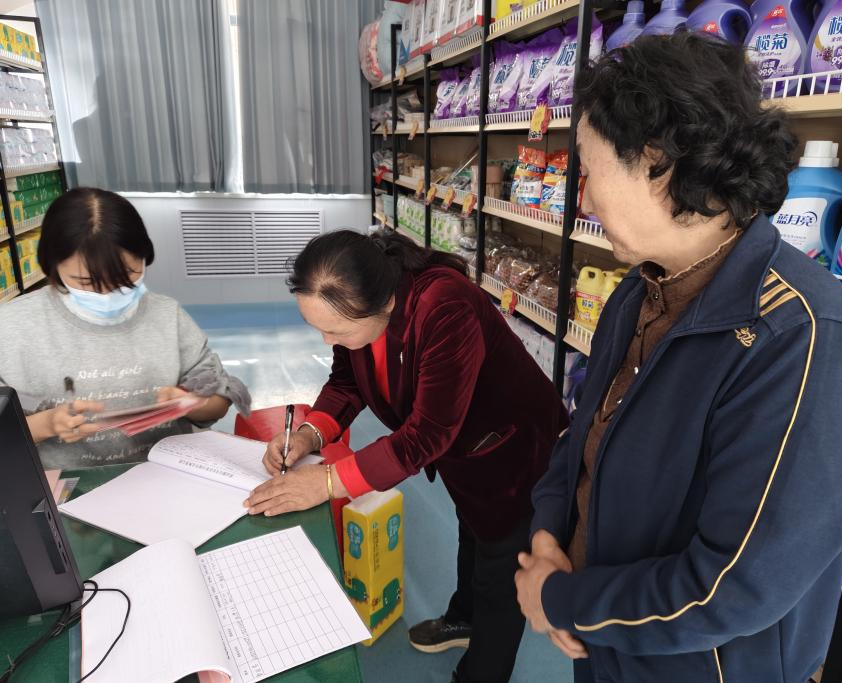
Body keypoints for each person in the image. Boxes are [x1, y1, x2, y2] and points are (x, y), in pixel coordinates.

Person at [514, 33, 842, 683]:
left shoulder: (800, 339)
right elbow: (585, 433)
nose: (584, 197)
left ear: (657, 163)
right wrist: (549, 533)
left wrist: (562, 601)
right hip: (608, 645)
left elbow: (734, 585)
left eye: (590, 169)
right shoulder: (638, 290)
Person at [243, 229, 568, 683]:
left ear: (379, 303)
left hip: (512, 451)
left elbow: (426, 434)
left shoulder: (445, 307)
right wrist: (309, 434)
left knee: (501, 566)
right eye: (318, 328)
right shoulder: (364, 313)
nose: (326, 340)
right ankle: (464, 618)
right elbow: (347, 383)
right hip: (464, 453)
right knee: (473, 531)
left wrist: (329, 482)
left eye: (336, 330)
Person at [0, 187, 250, 469]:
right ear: (51, 266)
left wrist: (194, 404)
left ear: (145, 256)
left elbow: (219, 400)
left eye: (126, 276)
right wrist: (45, 424)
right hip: (63, 485)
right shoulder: (11, 327)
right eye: (86, 282)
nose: (107, 293)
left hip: (163, 475)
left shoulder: (167, 316)